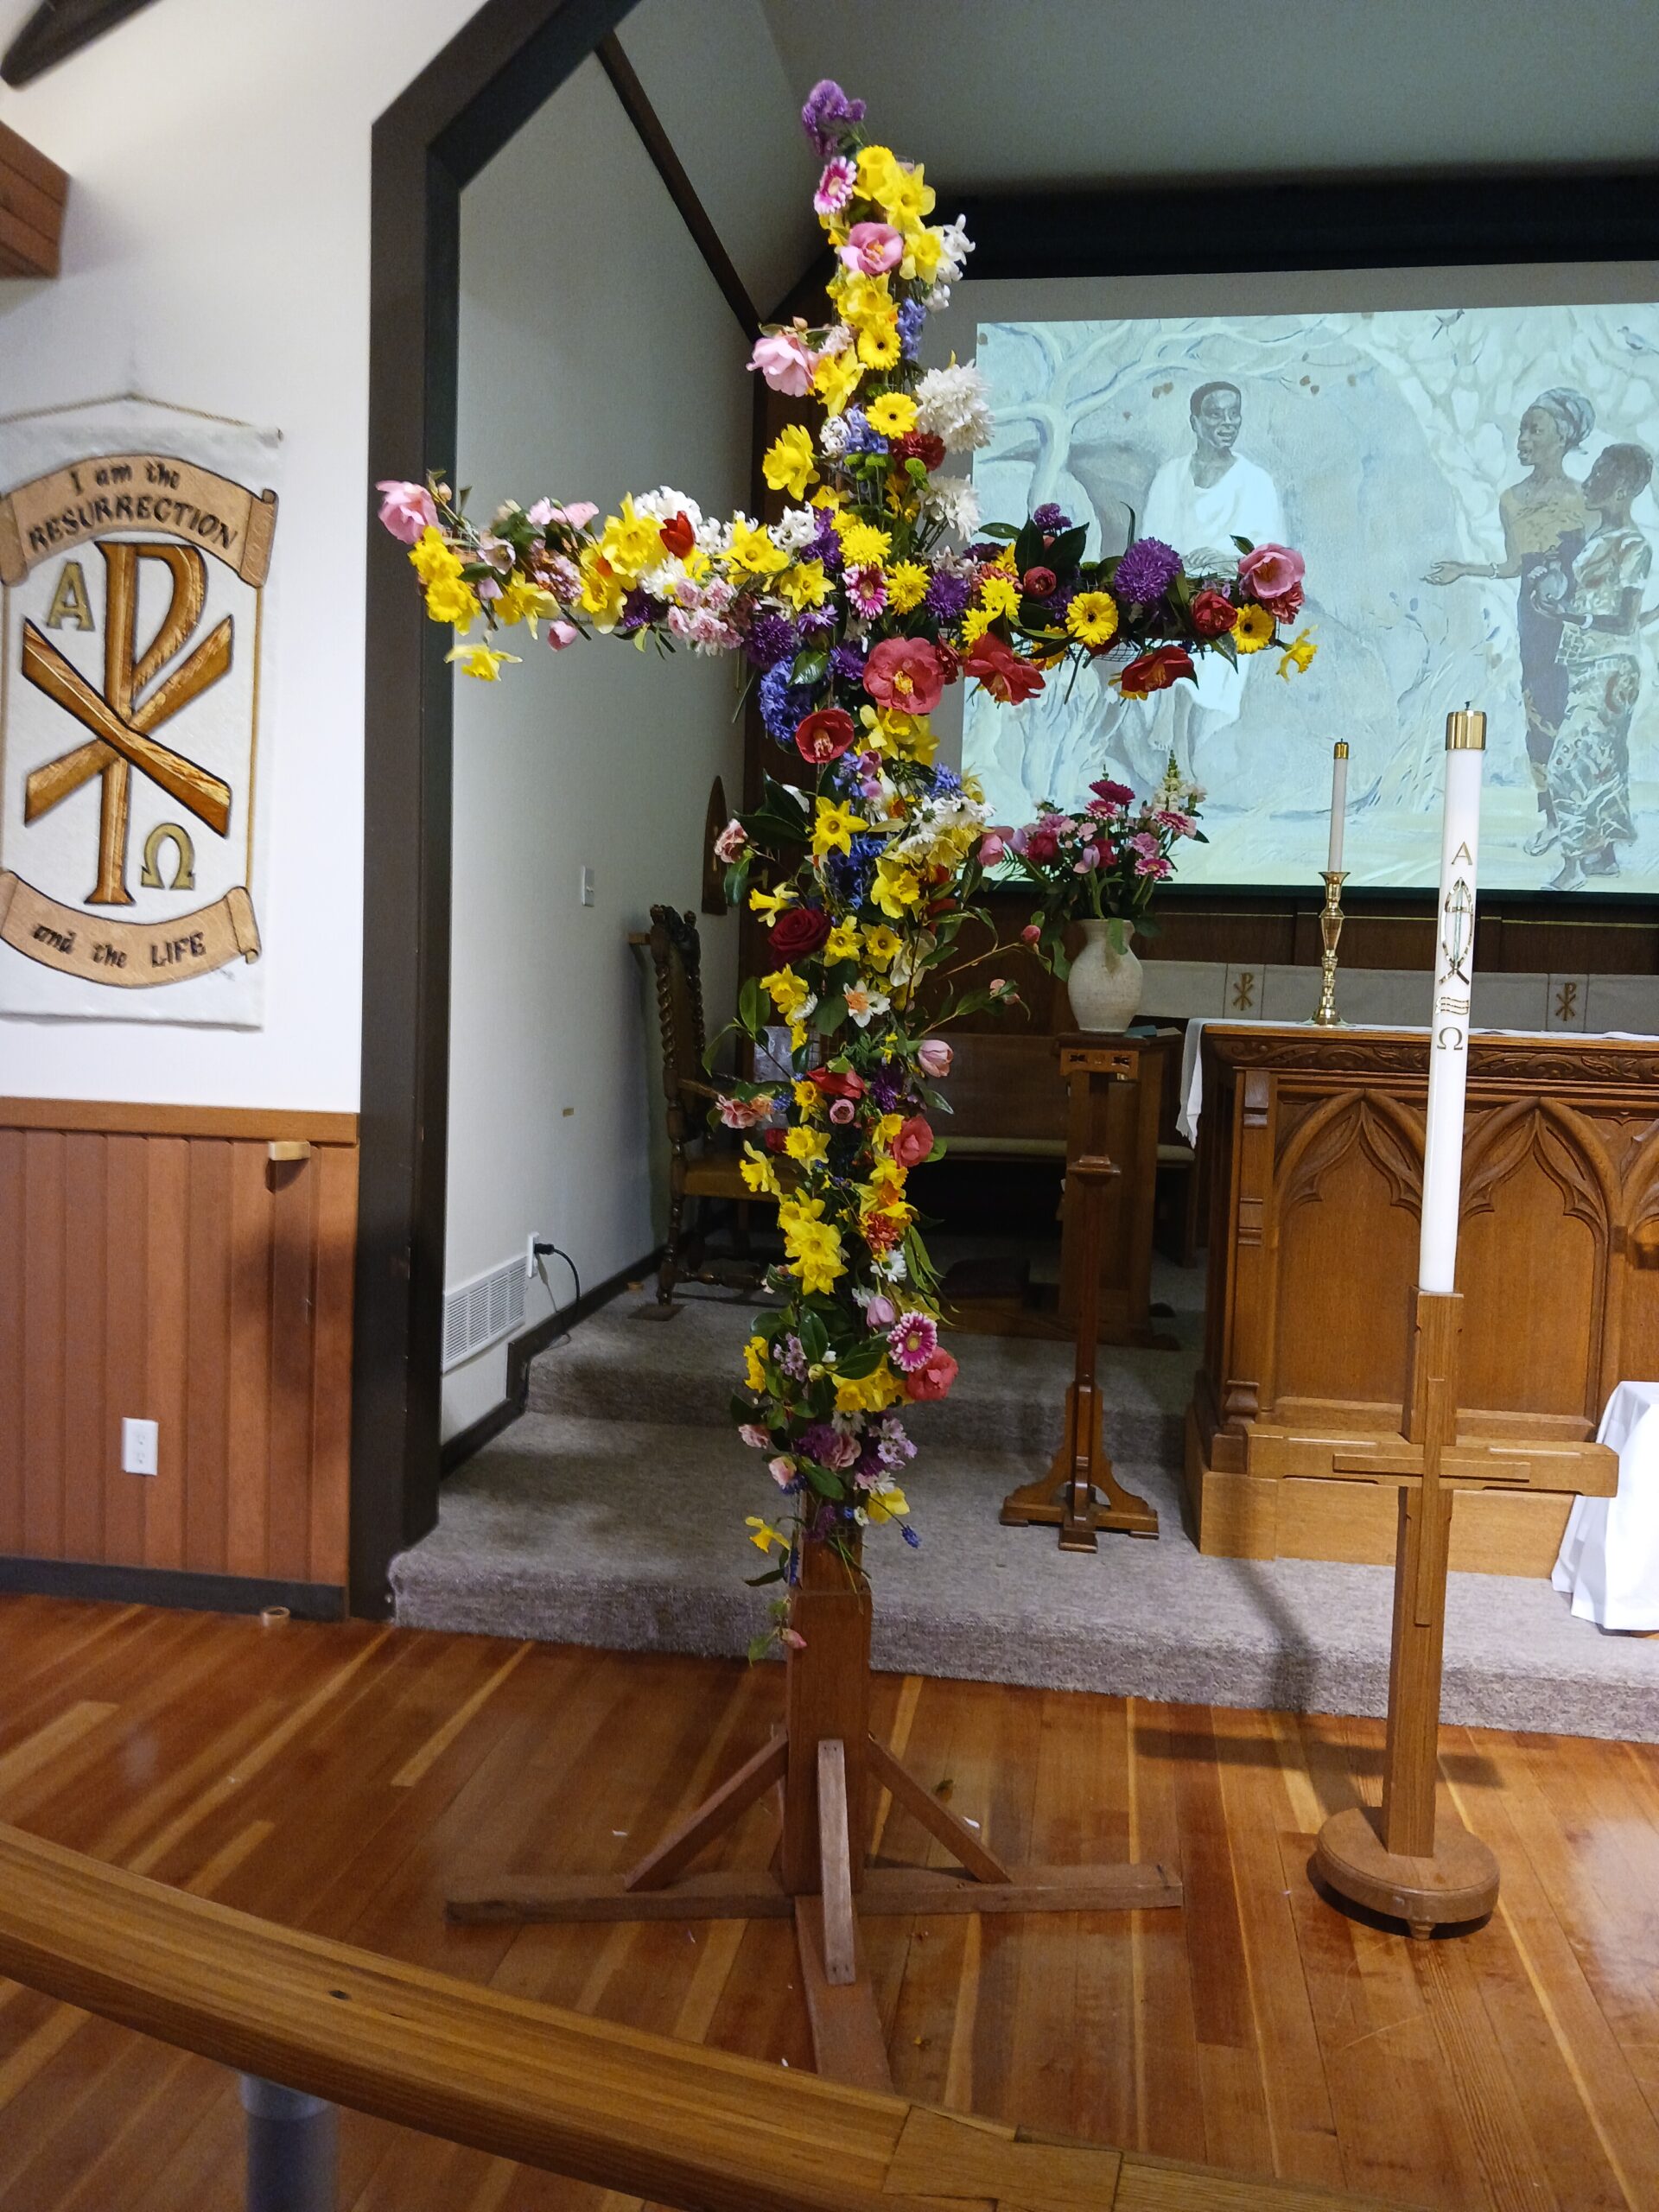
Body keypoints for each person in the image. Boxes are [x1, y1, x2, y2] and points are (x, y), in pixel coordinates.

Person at [1426, 388, 1592, 855]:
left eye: (1534, 430)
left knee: (1576, 714)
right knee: (1539, 712)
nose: (1523, 440)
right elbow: (1515, 565)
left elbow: (1596, 564)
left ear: (1563, 437)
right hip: (1534, 621)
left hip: (1575, 621)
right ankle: (1553, 817)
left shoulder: (1585, 498)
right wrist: (1465, 569)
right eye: (1522, 430)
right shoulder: (1511, 500)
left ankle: (1587, 824)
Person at [1135, 382, 1284, 782]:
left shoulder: (1256, 482)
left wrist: (1226, 561)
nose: (1227, 423)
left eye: (1234, 413)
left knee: (1204, 632)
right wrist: (1179, 567)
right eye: (1216, 414)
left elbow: (1270, 558)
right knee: (1174, 618)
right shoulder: (1170, 476)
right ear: (1195, 422)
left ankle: (1177, 744)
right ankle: (1178, 757)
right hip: (1173, 589)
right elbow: (1151, 543)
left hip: (1231, 597)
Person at [1538, 442, 1652, 889]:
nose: (1588, 482)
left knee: (1567, 762)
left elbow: (1624, 621)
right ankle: (1604, 857)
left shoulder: (1634, 545)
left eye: (1599, 474)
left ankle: (1573, 866)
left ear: (1622, 489)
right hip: (1585, 662)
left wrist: (1569, 615)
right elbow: (1612, 608)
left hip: (1611, 670)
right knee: (1602, 759)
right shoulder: (1599, 537)